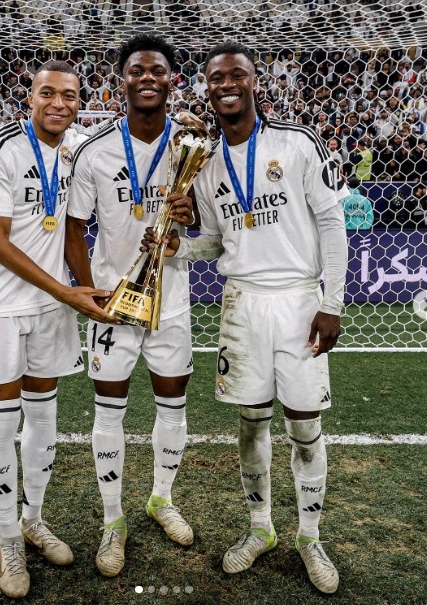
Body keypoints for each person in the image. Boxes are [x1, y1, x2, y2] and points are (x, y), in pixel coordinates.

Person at [144, 41, 348, 594]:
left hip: (300, 300)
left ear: (254, 82)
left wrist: (331, 303)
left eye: (237, 75)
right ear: (207, 88)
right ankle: (261, 529)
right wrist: (177, 248)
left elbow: (332, 223)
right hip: (242, 302)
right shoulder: (206, 164)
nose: (227, 85)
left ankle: (310, 537)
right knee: (251, 422)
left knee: (304, 427)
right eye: (216, 78)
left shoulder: (297, 142)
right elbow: (214, 241)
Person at [0, 60, 118, 599]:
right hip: (2, 305)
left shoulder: (77, 149)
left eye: (69, 96)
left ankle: (32, 519)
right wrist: (67, 290)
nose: (59, 103)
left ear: (80, 103)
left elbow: (123, 141)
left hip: (53, 306)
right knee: (1, 423)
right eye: (48, 93)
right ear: (29, 97)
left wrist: (183, 124)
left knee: (43, 416)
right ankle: (8, 538)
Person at [65, 33, 197, 578]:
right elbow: (74, 226)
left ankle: (161, 498)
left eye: (157, 70)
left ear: (172, 80)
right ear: (121, 80)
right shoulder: (94, 149)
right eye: (137, 70)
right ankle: (113, 519)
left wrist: (185, 227)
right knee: (108, 410)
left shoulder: (193, 146)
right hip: (114, 303)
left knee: (173, 405)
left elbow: (208, 223)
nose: (147, 78)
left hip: (172, 301)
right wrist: (87, 291)